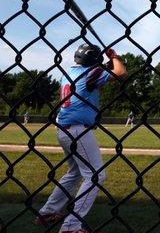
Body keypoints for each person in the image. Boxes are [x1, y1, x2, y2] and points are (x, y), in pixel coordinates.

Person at [34, 43, 127, 233]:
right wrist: (114, 56)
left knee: (75, 172)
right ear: (95, 61)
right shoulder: (91, 73)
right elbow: (121, 72)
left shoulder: (70, 72)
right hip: (78, 131)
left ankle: (47, 212)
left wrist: (104, 63)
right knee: (95, 176)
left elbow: (99, 74)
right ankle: (71, 225)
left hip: (63, 129)